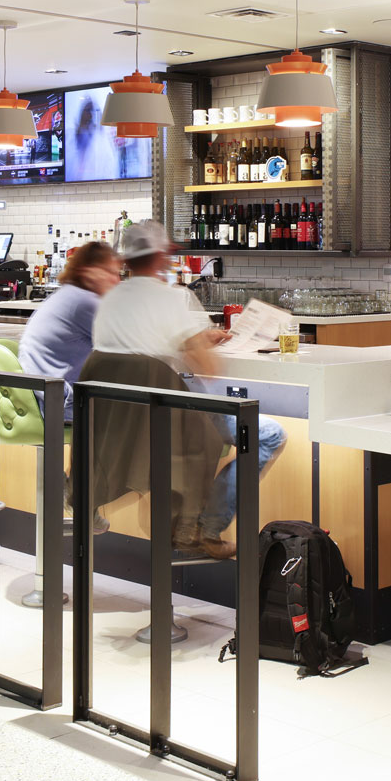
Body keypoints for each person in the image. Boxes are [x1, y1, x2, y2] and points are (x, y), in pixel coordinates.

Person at [89, 219, 285, 559]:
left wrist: (188, 339)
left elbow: (136, 349)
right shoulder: (173, 298)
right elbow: (209, 371)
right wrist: (198, 344)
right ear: (163, 256)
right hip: (164, 422)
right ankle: (205, 528)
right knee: (269, 433)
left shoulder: (110, 298)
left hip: (120, 428)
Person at [18, 239, 120, 421]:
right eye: (110, 272)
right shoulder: (84, 302)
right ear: (89, 272)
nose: (116, 280)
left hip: (42, 396)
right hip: (62, 404)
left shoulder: (68, 295)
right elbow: (129, 346)